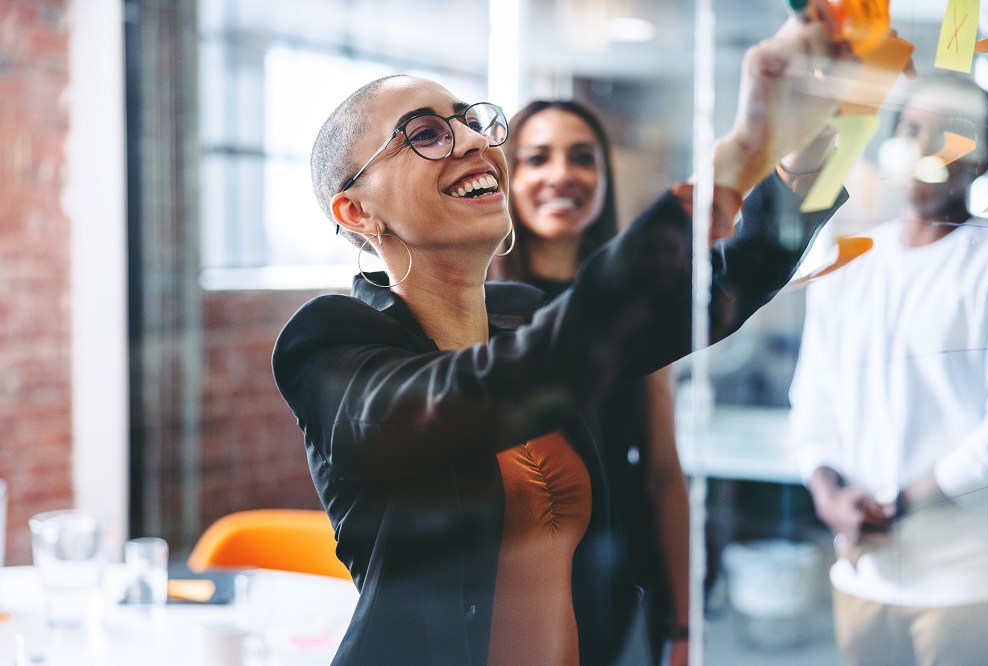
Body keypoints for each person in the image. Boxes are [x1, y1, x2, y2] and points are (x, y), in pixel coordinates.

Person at [273, 16, 857, 665]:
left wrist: (831, 137)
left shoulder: (524, 312)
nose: (472, 140)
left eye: (470, 120)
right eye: (428, 134)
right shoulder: (327, 343)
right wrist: (737, 154)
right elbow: (485, 388)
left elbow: (718, 291)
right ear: (357, 211)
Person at [789, 73, 988, 666]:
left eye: (950, 132)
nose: (925, 145)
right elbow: (812, 404)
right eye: (912, 127)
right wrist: (828, 494)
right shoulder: (849, 262)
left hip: (967, 585)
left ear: (981, 157)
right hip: (862, 576)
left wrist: (895, 504)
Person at [487, 100, 690, 665]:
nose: (561, 174)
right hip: (506, 578)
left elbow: (663, 471)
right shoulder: (472, 308)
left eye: (582, 157)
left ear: (602, 178)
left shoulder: (639, 304)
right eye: (536, 158)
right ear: (508, 177)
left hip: (619, 562)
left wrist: (684, 622)